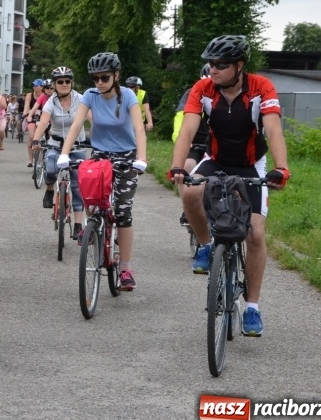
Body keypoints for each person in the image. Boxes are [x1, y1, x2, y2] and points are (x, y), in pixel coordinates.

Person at [168, 35, 290, 337]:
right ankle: (207, 246)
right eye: (210, 64)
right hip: (217, 158)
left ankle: (252, 308)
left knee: (255, 232)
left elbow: (273, 130)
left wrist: (281, 167)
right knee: (191, 191)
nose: (213, 69)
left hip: (251, 164)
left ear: (239, 65)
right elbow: (188, 129)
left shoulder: (261, 88)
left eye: (221, 64)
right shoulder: (204, 89)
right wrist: (176, 164)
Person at [58, 52, 147, 291]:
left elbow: (139, 128)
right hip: (100, 155)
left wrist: (141, 158)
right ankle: (96, 232)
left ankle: (126, 268)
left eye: (104, 77)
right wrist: (64, 153)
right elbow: (77, 124)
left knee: (123, 210)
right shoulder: (90, 95)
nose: (99, 82)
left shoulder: (128, 96)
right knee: (94, 202)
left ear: (116, 76)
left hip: (126, 156)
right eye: (95, 77)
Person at [31, 66, 89, 239]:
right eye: (60, 82)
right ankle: (49, 190)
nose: (64, 84)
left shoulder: (81, 99)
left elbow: (93, 118)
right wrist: (36, 139)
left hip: (77, 145)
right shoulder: (51, 102)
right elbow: (43, 122)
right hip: (55, 144)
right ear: (54, 85)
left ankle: (78, 224)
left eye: (67, 81)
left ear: (72, 83)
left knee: (78, 186)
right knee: (50, 169)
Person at [172, 64, 211, 224]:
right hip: (196, 142)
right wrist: (179, 138)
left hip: (218, 145)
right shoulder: (192, 93)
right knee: (186, 166)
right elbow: (180, 118)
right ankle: (187, 208)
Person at [22, 79, 46, 166]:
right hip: (31, 117)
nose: (34, 87)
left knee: (48, 135)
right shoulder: (29, 95)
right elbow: (27, 106)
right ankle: (30, 159)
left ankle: (44, 155)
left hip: (43, 117)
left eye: (36, 86)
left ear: (42, 87)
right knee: (31, 137)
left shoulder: (45, 96)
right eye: (33, 85)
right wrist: (25, 114)